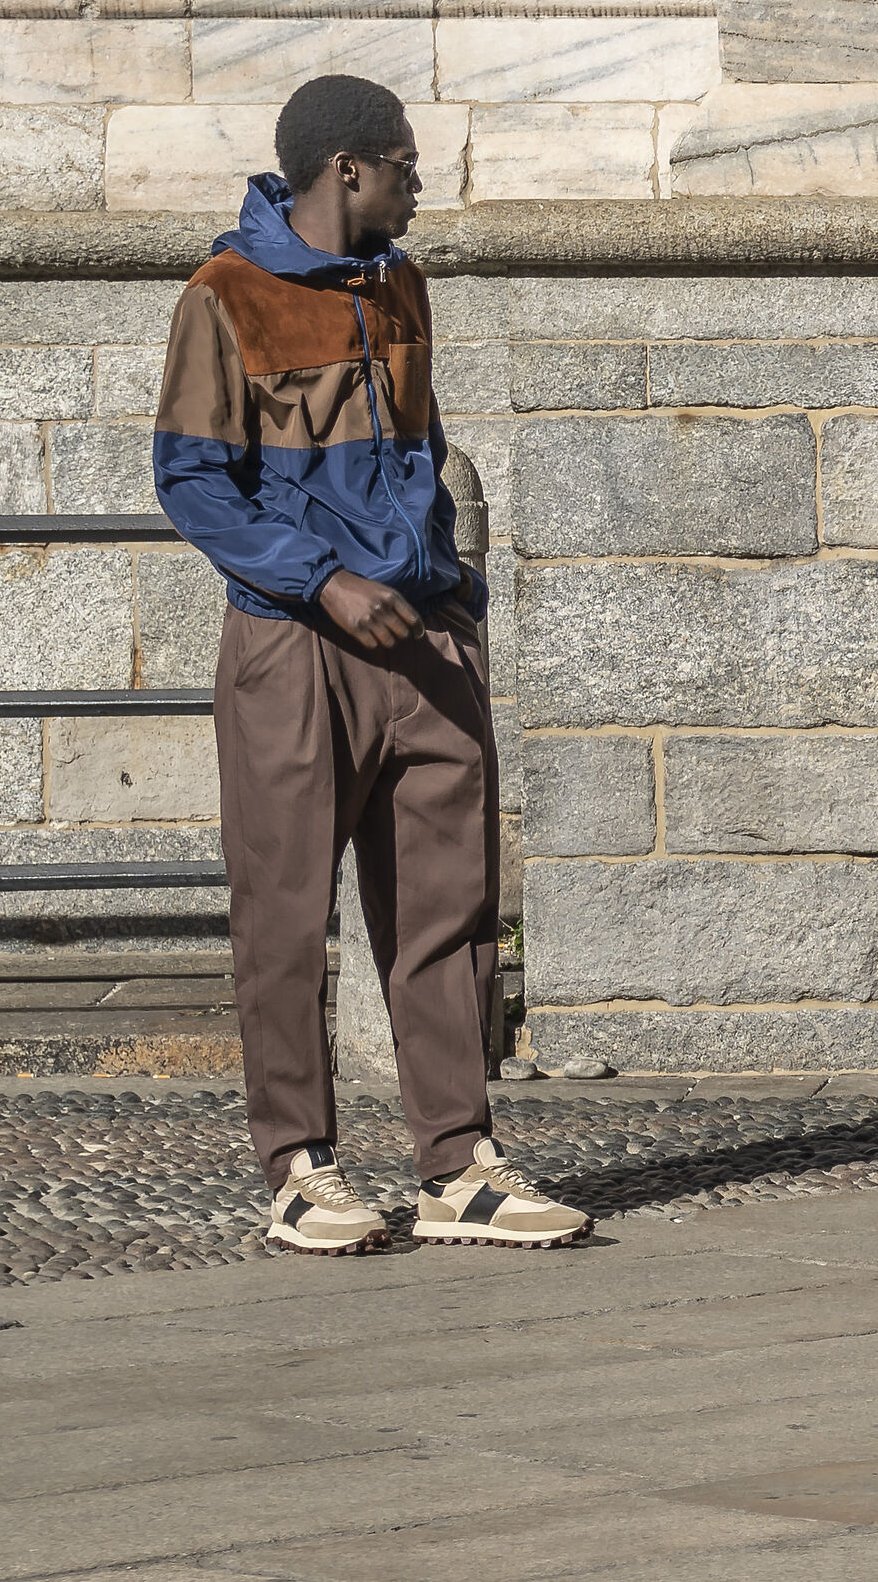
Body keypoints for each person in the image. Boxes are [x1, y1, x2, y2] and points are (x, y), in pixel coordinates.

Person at [155, 75, 590, 1253]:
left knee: (448, 909)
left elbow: (422, 446)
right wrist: (324, 577)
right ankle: (300, 1166)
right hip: (295, 647)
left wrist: (450, 592)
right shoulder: (224, 297)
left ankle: (458, 1163)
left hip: (426, 640)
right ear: (346, 169)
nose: (419, 182)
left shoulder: (402, 286)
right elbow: (192, 481)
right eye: (405, 162)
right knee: (286, 914)